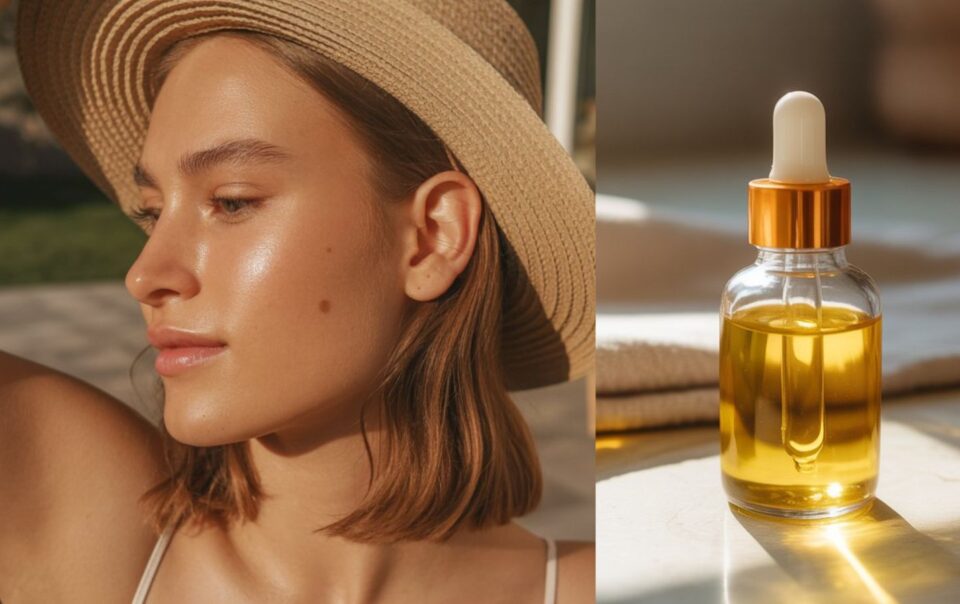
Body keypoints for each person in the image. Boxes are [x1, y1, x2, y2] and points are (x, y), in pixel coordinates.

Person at [2, 1, 595, 602]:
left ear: (432, 238)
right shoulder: (75, 509)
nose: (144, 275)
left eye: (231, 202)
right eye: (152, 214)